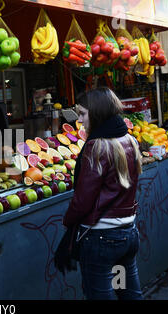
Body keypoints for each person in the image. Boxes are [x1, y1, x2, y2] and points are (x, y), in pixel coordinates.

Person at [62, 87, 144, 300]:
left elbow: (82, 201)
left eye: (82, 114)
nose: (79, 120)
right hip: (127, 234)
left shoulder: (96, 147)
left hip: (101, 239)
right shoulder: (130, 141)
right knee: (127, 293)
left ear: (96, 113)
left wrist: (68, 222)